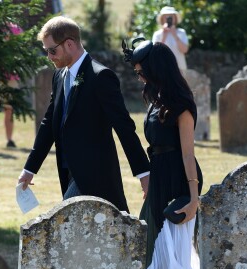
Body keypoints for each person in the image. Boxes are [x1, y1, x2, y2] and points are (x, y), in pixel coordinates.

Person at [18, 16, 150, 212]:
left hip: (95, 173)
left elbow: (124, 127)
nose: (49, 57)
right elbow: (49, 123)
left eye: (52, 50)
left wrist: (144, 173)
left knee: (63, 227)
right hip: (68, 172)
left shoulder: (100, 76)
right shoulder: (59, 76)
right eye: (46, 51)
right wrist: (30, 169)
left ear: (69, 44)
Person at [123, 39, 203, 269]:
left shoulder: (181, 105)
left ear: (155, 68)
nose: (139, 77)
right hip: (159, 180)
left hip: (177, 182)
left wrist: (193, 199)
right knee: (151, 261)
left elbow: (188, 154)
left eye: (140, 71)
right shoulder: (155, 101)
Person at [0, 22, 23, 148]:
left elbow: (20, 48)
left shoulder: (16, 28)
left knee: (9, 109)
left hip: (11, 77)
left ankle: (10, 140)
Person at [152, 6, 189, 71]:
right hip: (163, 68)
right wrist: (164, 36)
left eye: (170, 16)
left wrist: (175, 35)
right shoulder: (157, 34)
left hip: (180, 69)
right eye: (166, 16)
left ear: (175, 18)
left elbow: (185, 50)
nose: (168, 18)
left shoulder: (181, 32)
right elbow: (155, 53)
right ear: (162, 19)